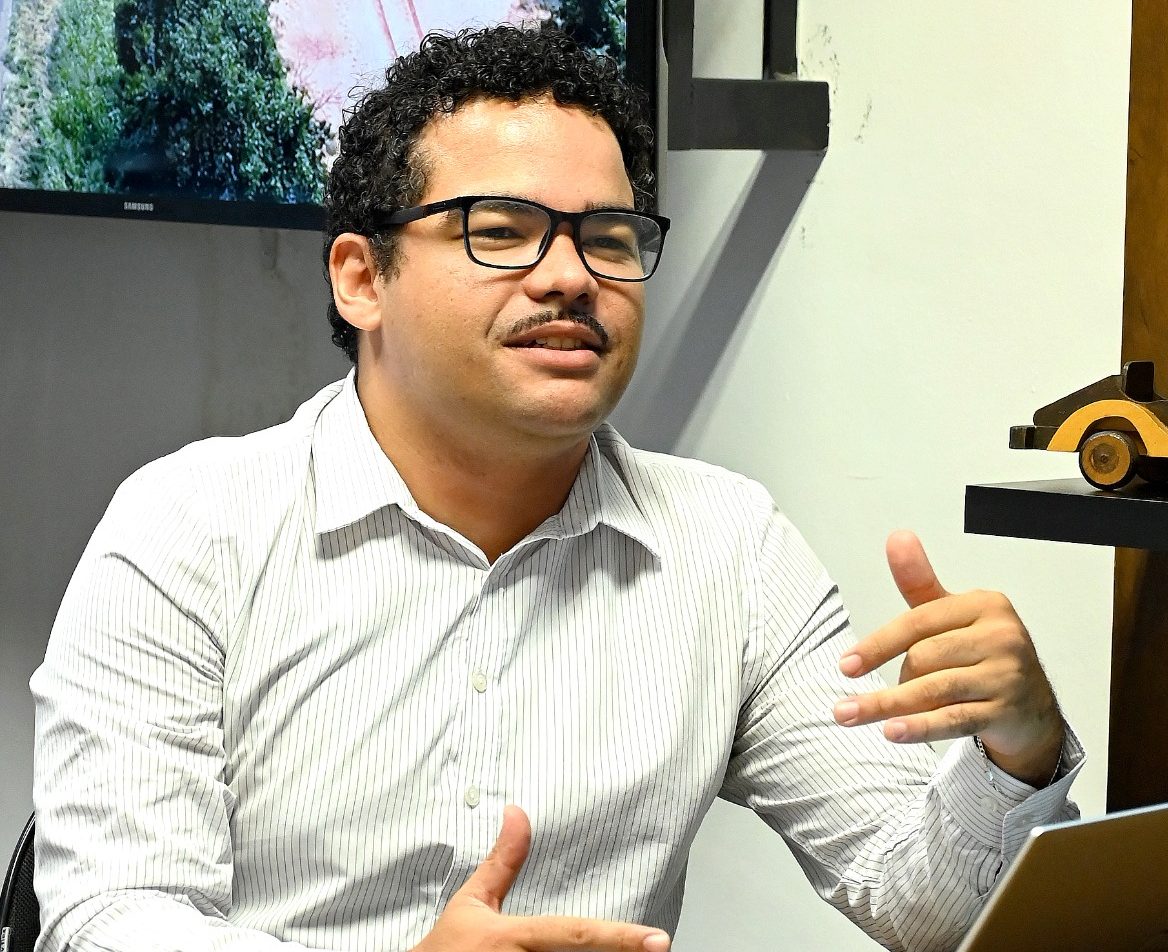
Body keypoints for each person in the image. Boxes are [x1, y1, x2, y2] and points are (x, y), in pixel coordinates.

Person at [31, 24, 1082, 952]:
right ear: (360, 277)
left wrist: (1017, 753)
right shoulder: (191, 528)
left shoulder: (729, 548)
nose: (572, 275)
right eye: (499, 229)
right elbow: (107, 917)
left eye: (609, 237)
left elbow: (923, 909)